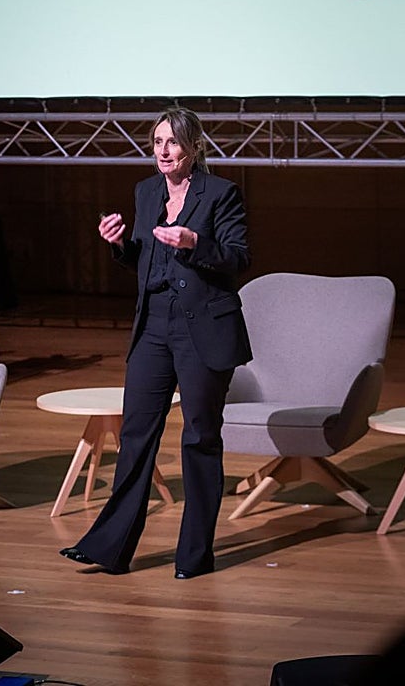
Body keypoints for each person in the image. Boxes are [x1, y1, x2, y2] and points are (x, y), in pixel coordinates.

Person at [60, 106, 252, 579]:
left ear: (193, 147)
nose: (163, 151)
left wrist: (193, 243)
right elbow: (145, 262)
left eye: (172, 142)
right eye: (157, 142)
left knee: (199, 437)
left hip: (202, 329)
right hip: (153, 327)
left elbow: (237, 258)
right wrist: (119, 245)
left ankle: (194, 556)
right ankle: (111, 548)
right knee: (135, 436)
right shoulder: (146, 192)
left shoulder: (221, 193)